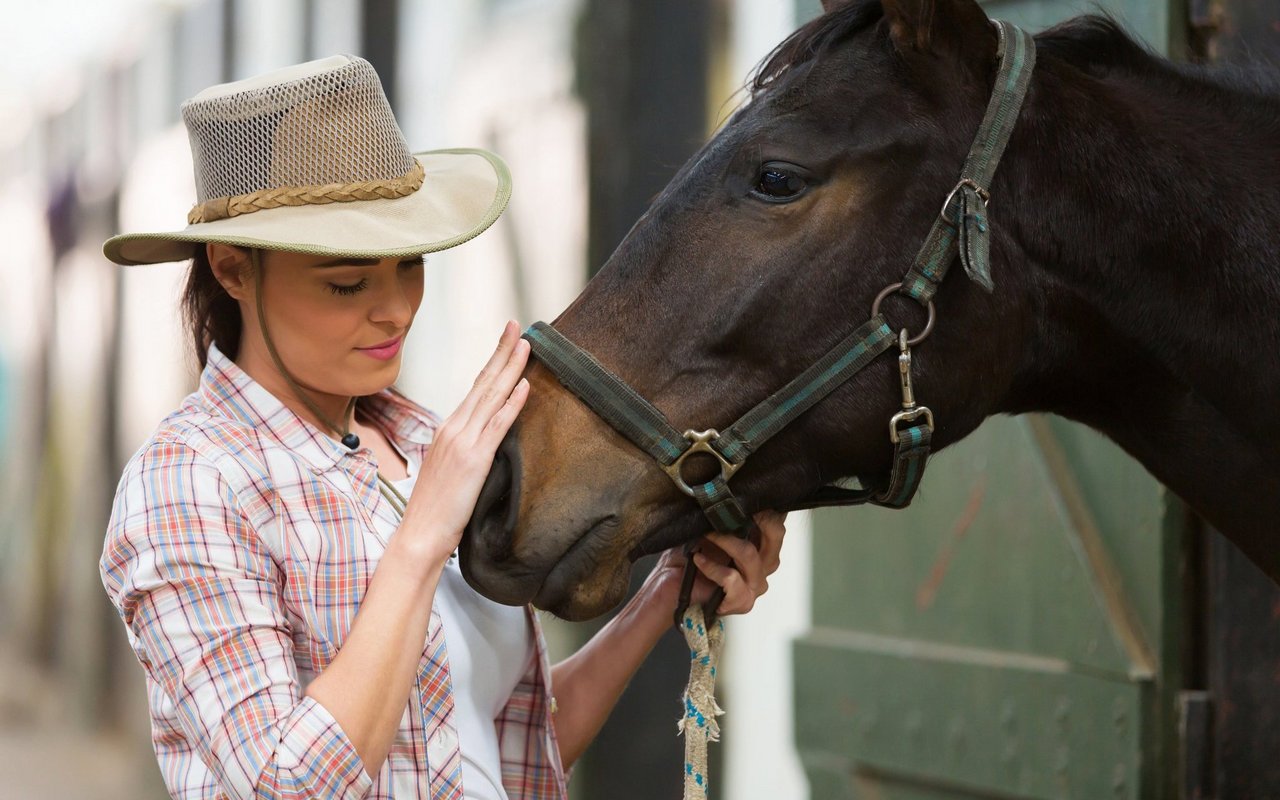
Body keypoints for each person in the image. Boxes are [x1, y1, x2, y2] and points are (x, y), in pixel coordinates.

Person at [99, 55, 786, 800]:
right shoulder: (190, 483)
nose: (395, 309)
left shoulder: (426, 441)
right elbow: (284, 785)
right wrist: (423, 536)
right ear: (233, 270)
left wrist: (667, 594)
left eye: (410, 266)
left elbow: (506, 745)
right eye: (347, 282)